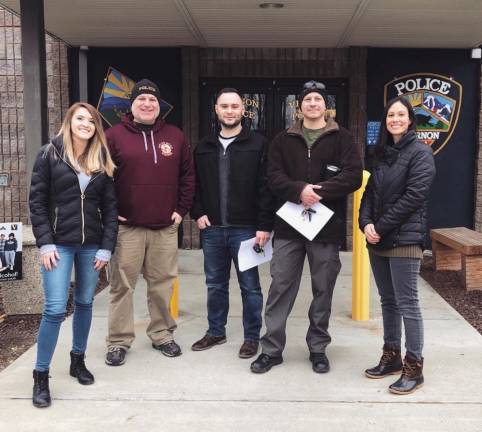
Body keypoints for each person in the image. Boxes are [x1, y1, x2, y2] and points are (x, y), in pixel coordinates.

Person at [250, 80, 362, 374]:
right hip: (288, 227)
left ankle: (318, 348)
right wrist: (300, 190)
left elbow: (353, 177)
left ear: (327, 106)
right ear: (298, 106)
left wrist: (320, 191)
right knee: (280, 287)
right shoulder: (282, 139)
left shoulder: (343, 138)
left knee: (323, 289)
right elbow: (273, 177)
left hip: (326, 230)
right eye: (307, 99)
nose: (313, 104)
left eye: (318, 99)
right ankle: (272, 349)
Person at [29, 102, 118, 408]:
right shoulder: (49, 154)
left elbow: (110, 208)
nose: (86, 124)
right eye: (80, 118)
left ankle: (77, 360)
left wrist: (107, 246)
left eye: (91, 121)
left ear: (96, 128)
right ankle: (41, 376)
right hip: (58, 245)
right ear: (69, 121)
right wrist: (45, 243)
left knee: (84, 302)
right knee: (54, 309)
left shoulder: (100, 157)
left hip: (91, 244)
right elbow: (37, 202)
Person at [105, 79, 195, 366]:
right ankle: (119, 340)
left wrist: (181, 211)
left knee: (162, 284)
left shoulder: (175, 136)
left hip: (164, 228)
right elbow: (102, 179)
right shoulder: (114, 136)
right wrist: (111, 211)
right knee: (122, 286)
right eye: (141, 100)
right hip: (126, 228)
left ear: (160, 106)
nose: (147, 104)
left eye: (152, 100)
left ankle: (162, 334)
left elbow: (188, 177)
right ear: (131, 105)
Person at [359, 96, 436, 395]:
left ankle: (414, 367)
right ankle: (390, 356)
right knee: (387, 302)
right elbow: (368, 194)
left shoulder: (420, 154)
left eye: (401, 114)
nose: (395, 119)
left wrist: (380, 226)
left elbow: (413, 197)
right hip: (377, 240)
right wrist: (365, 224)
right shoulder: (381, 153)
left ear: (410, 120)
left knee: (408, 304)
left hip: (404, 239)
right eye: (391, 114)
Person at [190, 88, 275, 359]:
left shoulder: (259, 144)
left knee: (250, 286)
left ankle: (252, 336)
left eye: (234, 106)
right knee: (215, 284)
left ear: (243, 110)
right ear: (216, 110)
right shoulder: (203, 146)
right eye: (224, 106)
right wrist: (197, 211)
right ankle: (216, 331)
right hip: (213, 229)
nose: (229, 111)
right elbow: (194, 185)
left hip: (247, 229)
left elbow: (267, 187)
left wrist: (264, 224)